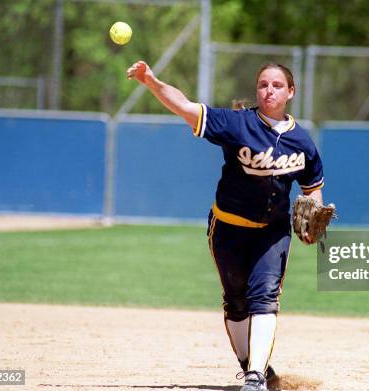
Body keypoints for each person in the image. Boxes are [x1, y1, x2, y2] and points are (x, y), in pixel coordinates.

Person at [127, 60, 325, 391]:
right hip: (229, 229)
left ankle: (256, 377)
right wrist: (152, 82)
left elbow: (312, 186)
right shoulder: (237, 124)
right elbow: (186, 107)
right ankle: (254, 367)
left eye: (277, 85)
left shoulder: (302, 143)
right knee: (236, 301)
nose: (269, 90)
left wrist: (314, 210)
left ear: (291, 92)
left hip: (271, 234)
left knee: (265, 296)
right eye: (263, 84)